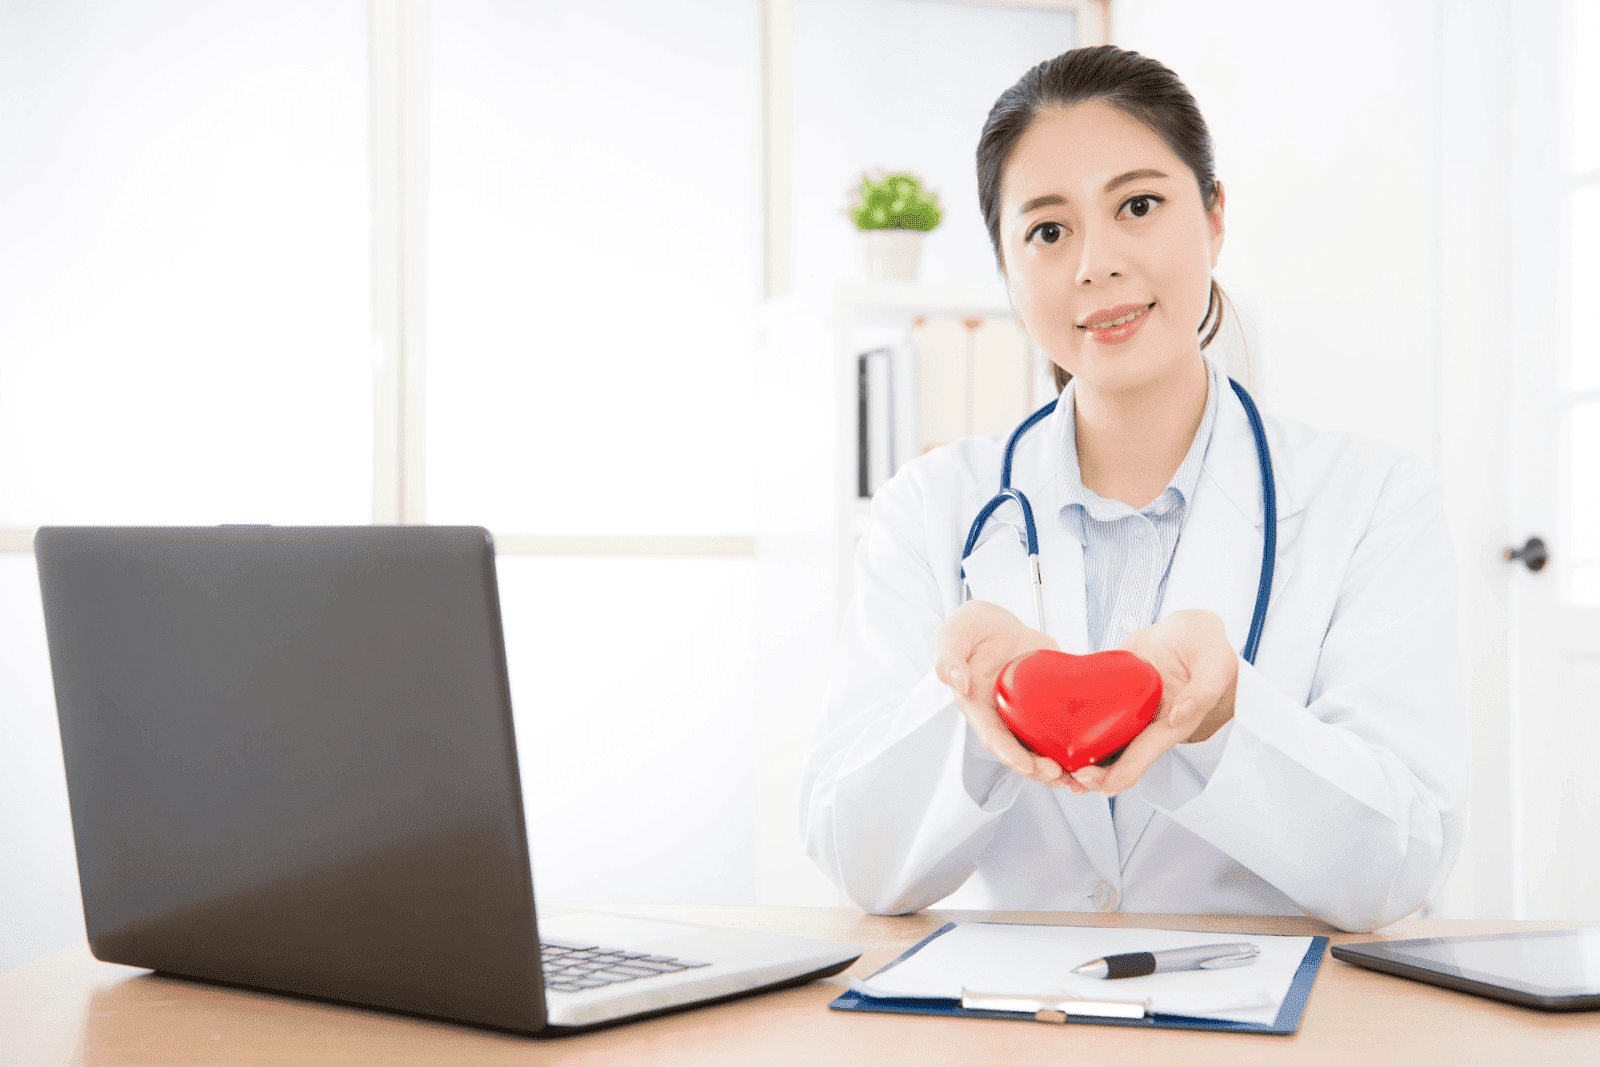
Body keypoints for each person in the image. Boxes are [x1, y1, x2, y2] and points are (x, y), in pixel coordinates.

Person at [797, 45, 1466, 934]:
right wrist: (965, 706)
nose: (1095, 264)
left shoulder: (1373, 499)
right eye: (1047, 230)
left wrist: (1228, 714)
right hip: (1016, 1024)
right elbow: (859, 858)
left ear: (1215, 214)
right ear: (1005, 263)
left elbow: (1401, 867)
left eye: (1139, 205)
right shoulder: (930, 507)